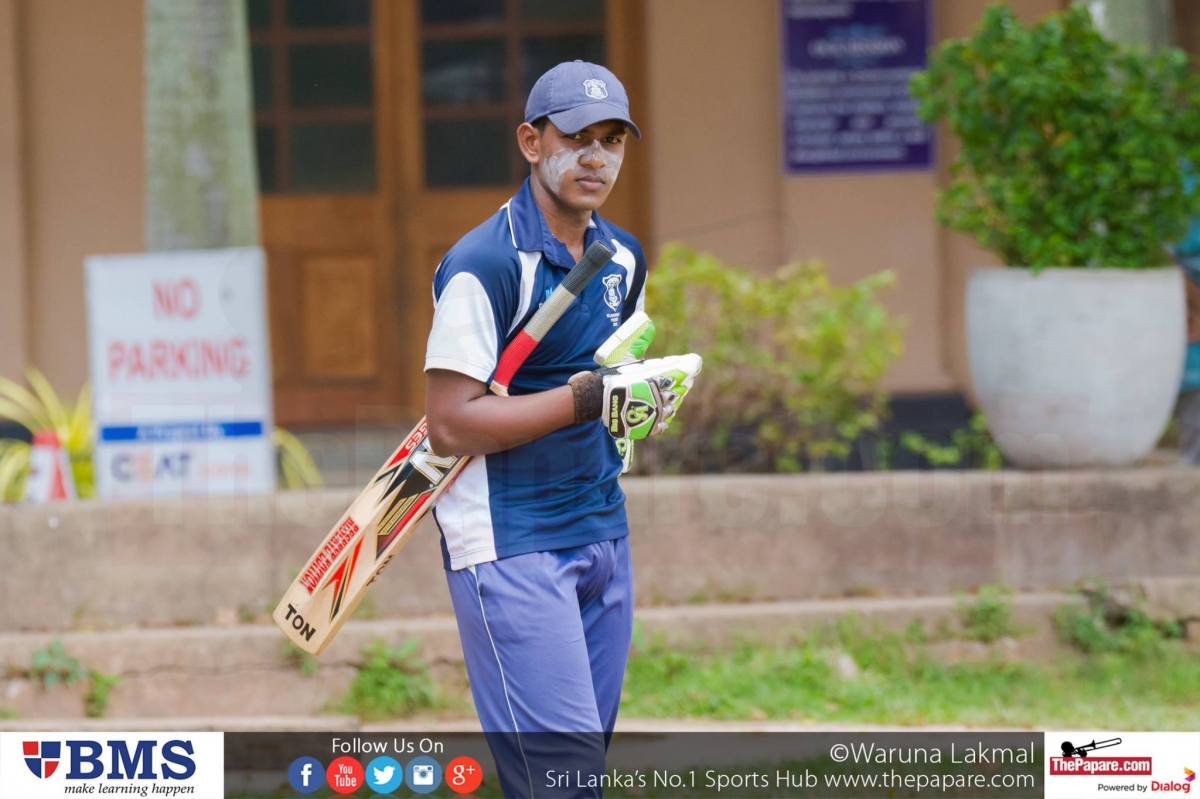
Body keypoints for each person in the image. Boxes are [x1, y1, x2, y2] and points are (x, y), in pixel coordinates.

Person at [421, 61, 697, 797]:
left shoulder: (624, 257)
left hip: (601, 526)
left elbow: (610, 374)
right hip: (511, 538)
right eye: (577, 138)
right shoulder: (484, 264)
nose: (596, 157)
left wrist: (638, 401)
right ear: (532, 142)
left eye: (613, 140)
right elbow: (449, 423)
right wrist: (586, 400)